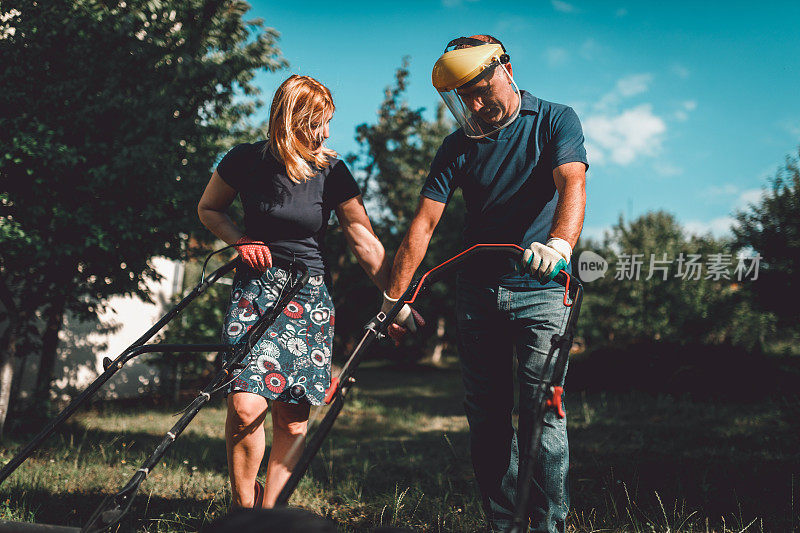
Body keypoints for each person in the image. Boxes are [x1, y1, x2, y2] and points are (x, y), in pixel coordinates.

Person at [383, 35, 588, 532]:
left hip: (541, 290)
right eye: (464, 98)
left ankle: (548, 526)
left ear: (507, 69)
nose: (476, 105)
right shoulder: (459, 145)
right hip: (477, 296)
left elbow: (572, 182)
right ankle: (503, 525)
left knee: (543, 414)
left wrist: (559, 247)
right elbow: (423, 224)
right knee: (488, 421)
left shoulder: (556, 120)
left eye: (481, 90)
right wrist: (393, 298)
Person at [198, 74, 390, 509]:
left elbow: (363, 239)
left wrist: (396, 300)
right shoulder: (244, 161)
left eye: (328, 123)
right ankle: (244, 513)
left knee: (292, 418)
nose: (325, 133)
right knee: (246, 407)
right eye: (317, 122)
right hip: (255, 292)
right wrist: (240, 240)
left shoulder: (331, 171)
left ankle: (270, 516)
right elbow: (209, 209)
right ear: (291, 120)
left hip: (307, 298)